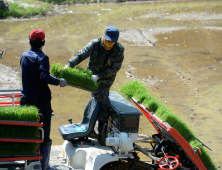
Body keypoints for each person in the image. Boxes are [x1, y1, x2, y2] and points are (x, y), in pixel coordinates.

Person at [65, 26, 124, 145]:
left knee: (101, 104)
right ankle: (102, 135)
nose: (109, 43)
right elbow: (80, 55)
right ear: (103, 36)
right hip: (92, 81)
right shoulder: (95, 44)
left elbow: (115, 68)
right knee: (105, 103)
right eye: (107, 40)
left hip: (106, 80)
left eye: (112, 41)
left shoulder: (119, 50)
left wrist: (99, 76)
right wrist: (69, 65)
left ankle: (93, 130)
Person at [20, 29, 67, 170]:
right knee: (44, 131)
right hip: (41, 101)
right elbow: (44, 76)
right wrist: (59, 81)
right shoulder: (43, 58)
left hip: (26, 99)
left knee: (28, 131)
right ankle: (44, 166)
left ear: (29, 42)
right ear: (44, 43)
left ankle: (28, 163)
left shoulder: (23, 56)